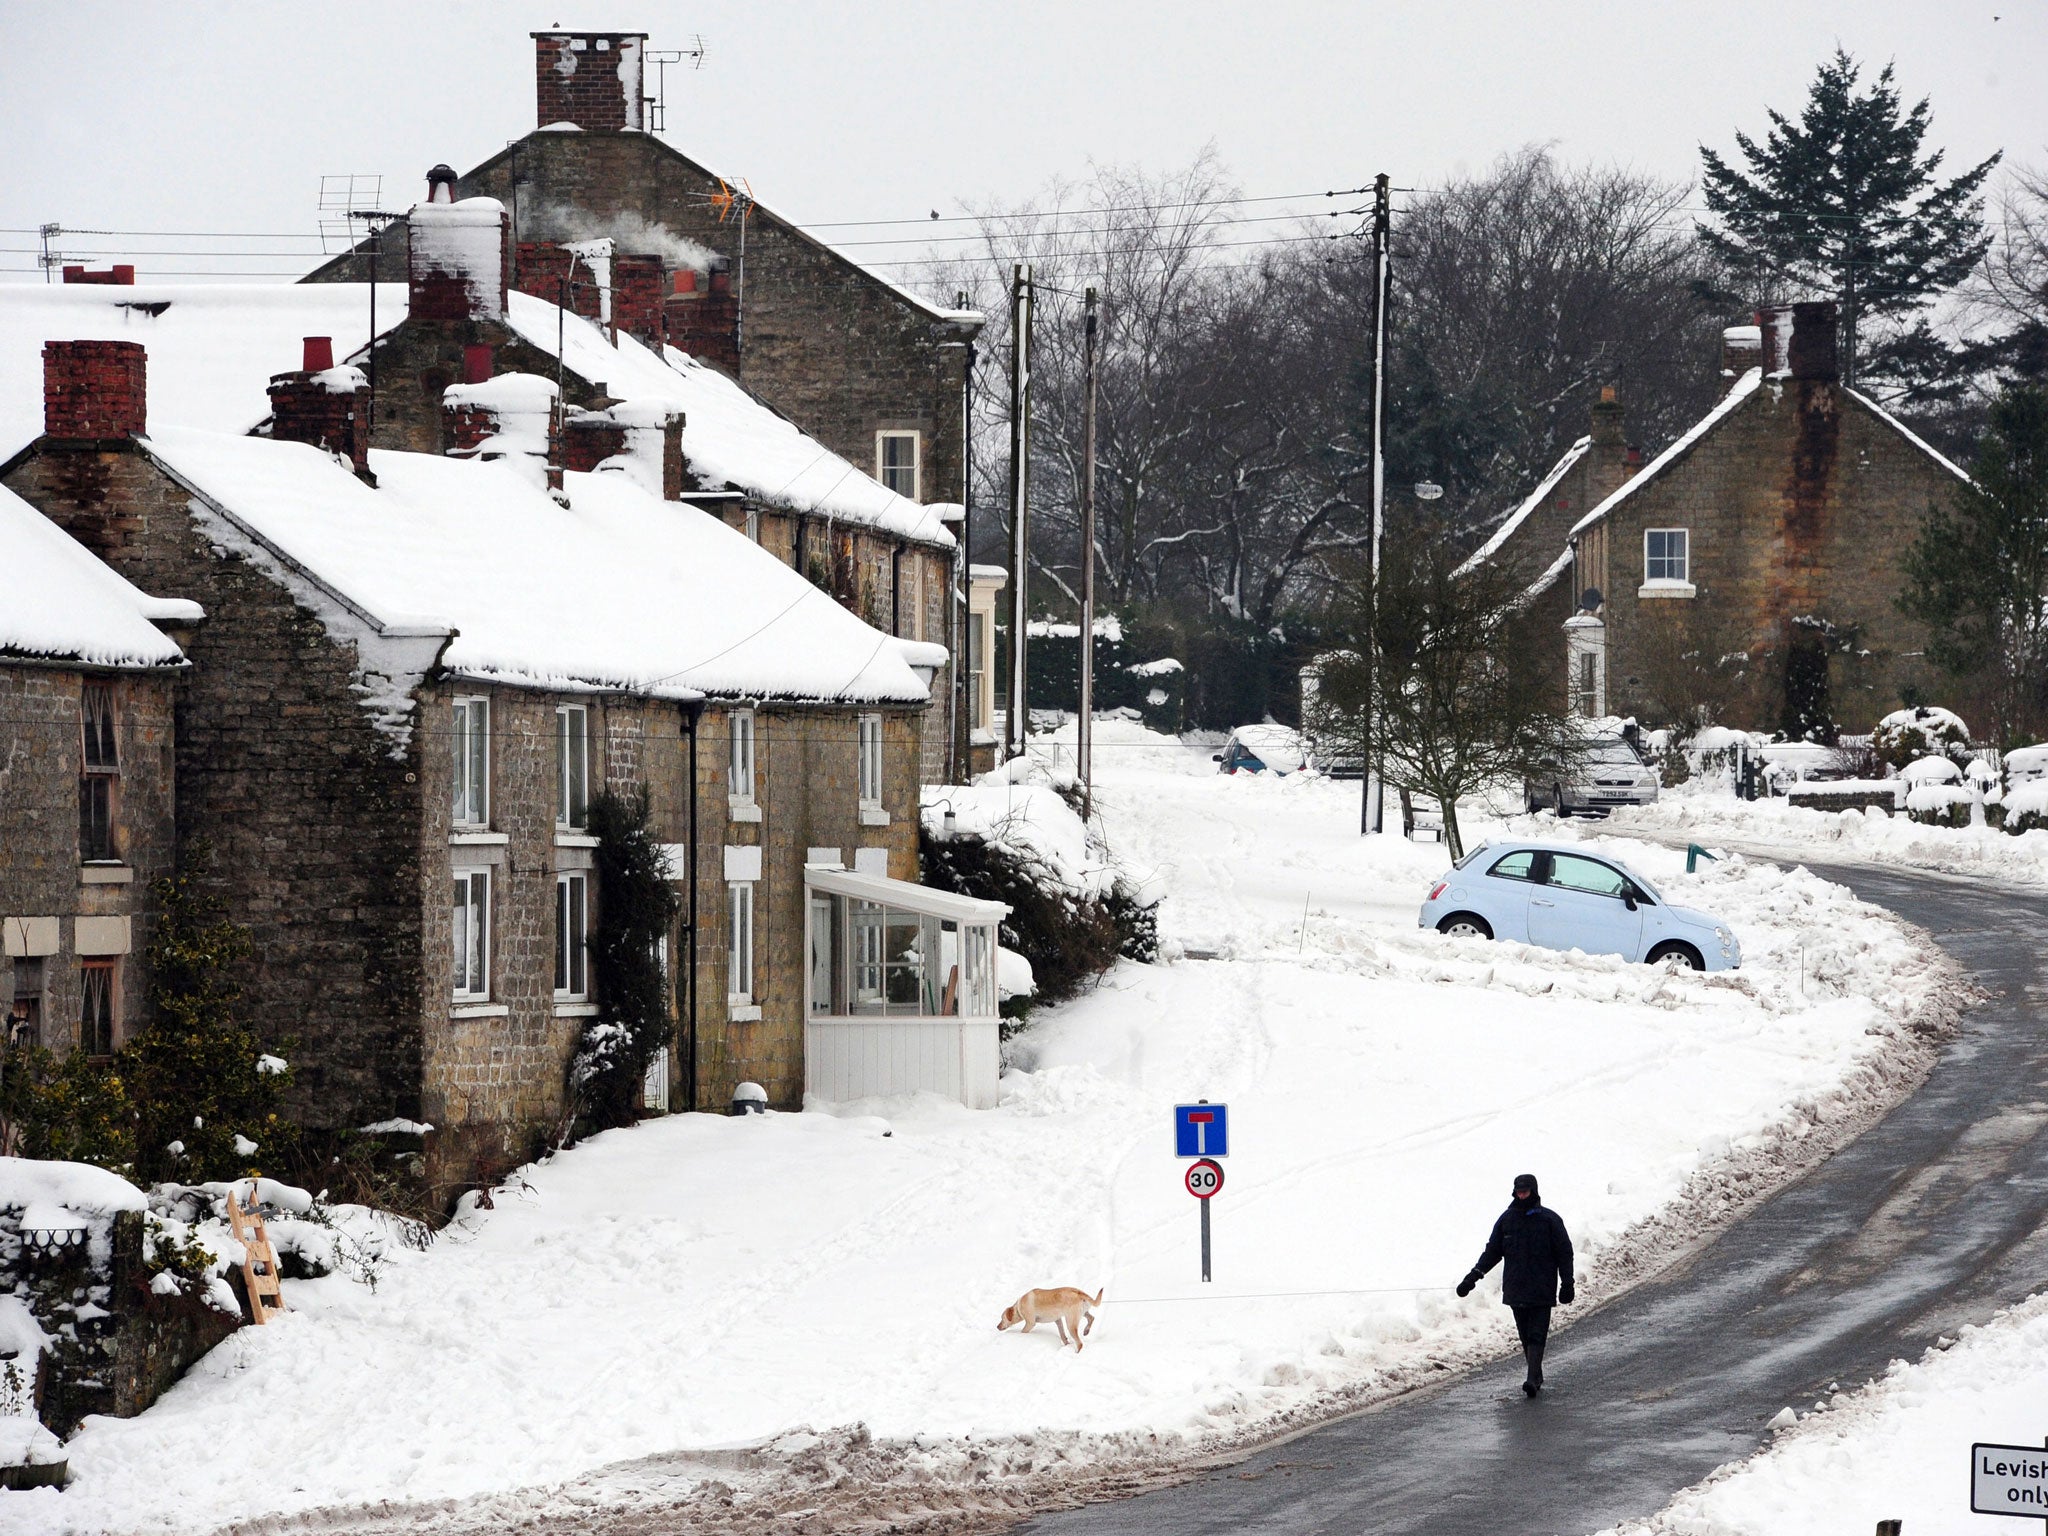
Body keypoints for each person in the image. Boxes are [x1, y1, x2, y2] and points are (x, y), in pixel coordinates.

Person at [1455, 1173, 1575, 1396]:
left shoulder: (1550, 1220)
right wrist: (1472, 1278)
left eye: (1525, 1192)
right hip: (1516, 1287)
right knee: (1525, 1333)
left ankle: (1531, 1379)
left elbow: (1564, 1253)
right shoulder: (1507, 1220)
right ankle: (1535, 1373)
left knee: (1537, 1333)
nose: (1521, 1196)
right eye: (1518, 1192)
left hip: (1542, 1286)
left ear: (1534, 1191)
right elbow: (1492, 1252)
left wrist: (1567, 1283)